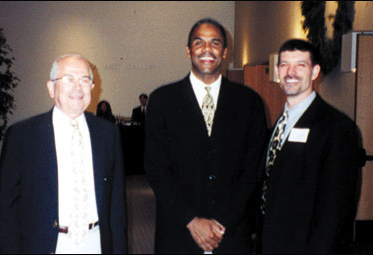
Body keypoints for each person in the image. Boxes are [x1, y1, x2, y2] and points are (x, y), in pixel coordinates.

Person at [144, 18, 267, 254]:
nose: (207, 50)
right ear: (188, 50)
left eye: (215, 43)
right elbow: (156, 169)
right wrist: (191, 220)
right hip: (178, 232)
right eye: (199, 43)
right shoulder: (162, 100)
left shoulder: (249, 102)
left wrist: (222, 223)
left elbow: (253, 171)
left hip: (231, 234)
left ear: (225, 51)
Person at [0, 53, 127, 254]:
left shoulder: (108, 133)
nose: (77, 87)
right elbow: (6, 209)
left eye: (84, 80)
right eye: (69, 79)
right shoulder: (22, 136)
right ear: (51, 87)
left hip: (96, 243)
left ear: (92, 88)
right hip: (46, 246)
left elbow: (117, 208)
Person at [258, 39, 359, 254]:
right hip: (273, 243)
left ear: (314, 72)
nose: (290, 72)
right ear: (277, 71)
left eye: (300, 65)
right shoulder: (279, 123)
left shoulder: (337, 128)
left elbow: (336, 209)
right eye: (284, 65)